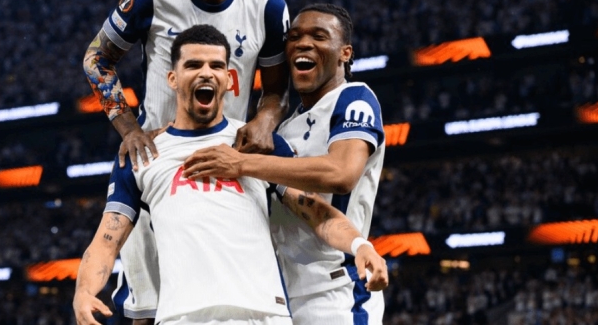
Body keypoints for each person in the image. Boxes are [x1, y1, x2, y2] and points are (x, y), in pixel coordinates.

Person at [73, 25, 385, 325]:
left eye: (216, 66)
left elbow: (315, 210)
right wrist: (84, 291)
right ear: (172, 78)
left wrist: (360, 245)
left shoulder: (258, 144)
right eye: (193, 65)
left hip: (264, 315)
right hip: (181, 317)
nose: (206, 72)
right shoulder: (142, 155)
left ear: (229, 79)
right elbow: (106, 242)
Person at [81, 0, 289, 322]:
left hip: (231, 160)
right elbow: (96, 58)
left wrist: (265, 121)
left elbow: (277, 89)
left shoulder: (266, 4)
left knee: (241, 291)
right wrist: (129, 129)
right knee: (144, 304)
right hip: (157, 159)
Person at [183, 4, 389, 324]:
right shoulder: (284, 130)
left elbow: (342, 174)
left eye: (319, 36)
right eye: (294, 37)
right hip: (283, 296)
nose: (303, 43)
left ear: (345, 53)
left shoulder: (354, 98)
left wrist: (243, 163)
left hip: (338, 291)